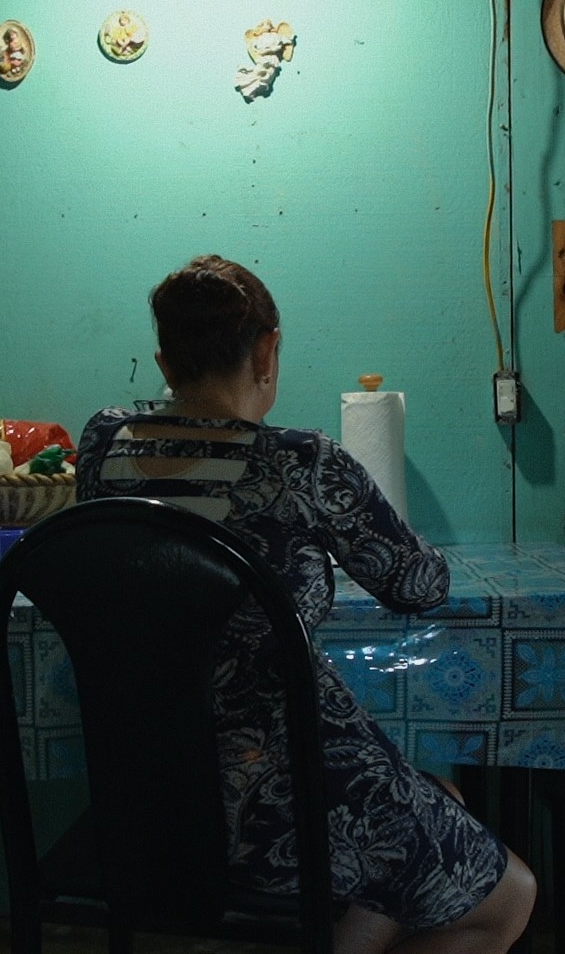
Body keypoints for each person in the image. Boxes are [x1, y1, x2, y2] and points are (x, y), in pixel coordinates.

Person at [75, 255, 536, 953]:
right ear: (268, 351)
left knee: (437, 801)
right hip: (285, 797)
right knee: (508, 896)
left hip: (143, 797)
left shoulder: (101, 442)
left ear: (164, 362)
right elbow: (419, 586)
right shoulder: (299, 463)